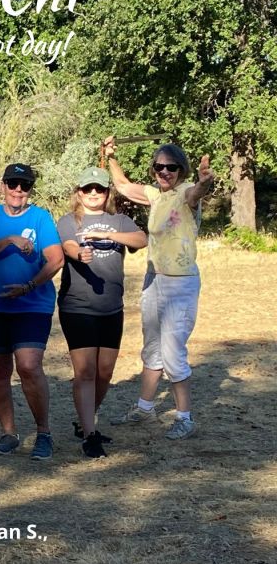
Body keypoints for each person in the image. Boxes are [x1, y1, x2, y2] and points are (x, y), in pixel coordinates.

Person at [103, 137, 214, 440]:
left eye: (171, 167)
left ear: (182, 170)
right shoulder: (155, 195)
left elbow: (196, 193)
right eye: (159, 166)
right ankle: (144, 407)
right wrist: (110, 156)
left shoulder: (186, 193)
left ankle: (184, 417)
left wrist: (204, 182)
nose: (165, 172)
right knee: (151, 348)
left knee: (172, 352)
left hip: (180, 284)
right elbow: (123, 186)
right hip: (154, 280)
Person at [56, 167, 147, 458]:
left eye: (99, 188)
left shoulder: (119, 220)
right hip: (78, 307)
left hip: (111, 307)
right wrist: (79, 253)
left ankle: (85, 420)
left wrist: (107, 234)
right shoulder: (69, 220)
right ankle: (89, 433)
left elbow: (142, 239)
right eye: (87, 189)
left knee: (104, 372)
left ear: (108, 193)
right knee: (85, 372)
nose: (93, 193)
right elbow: (68, 245)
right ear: (78, 192)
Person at [0, 163, 64, 460]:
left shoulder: (41, 218)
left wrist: (28, 286)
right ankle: (9, 433)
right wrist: (10, 240)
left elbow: (56, 259)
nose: (18, 190)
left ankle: (43, 432)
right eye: (12, 183)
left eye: (24, 185)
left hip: (32, 305)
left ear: (30, 189)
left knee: (28, 366)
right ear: (3, 185)